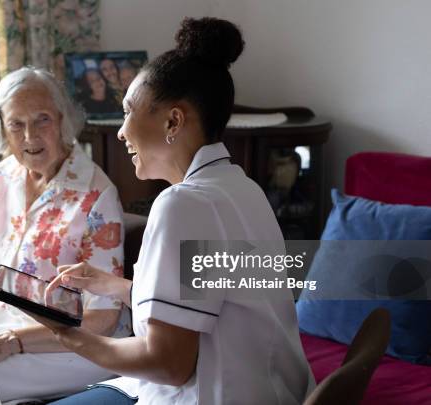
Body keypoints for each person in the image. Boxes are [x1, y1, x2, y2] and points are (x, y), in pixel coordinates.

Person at [35, 17, 316, 404]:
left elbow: (168, 364)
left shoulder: (182, 204)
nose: (120, 131)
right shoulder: (243, 189)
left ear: (173, 120)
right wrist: (111, 287)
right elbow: (213, 297)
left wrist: (65, 333)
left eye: (127, 112)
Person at [0, 66, 131, 403]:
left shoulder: (96, 194)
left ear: (62, 119)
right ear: (2, 128)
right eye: (16, 124)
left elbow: (102, 319)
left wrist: (12, 341)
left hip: (71, 344)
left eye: (42, 119)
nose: (29, 136)